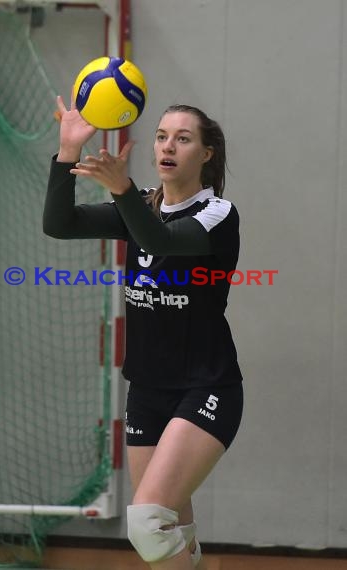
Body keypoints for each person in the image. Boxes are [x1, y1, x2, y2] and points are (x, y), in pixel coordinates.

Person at [43, 95, 243, 570]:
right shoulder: (141, 206)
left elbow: (162, 240)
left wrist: (122, 191)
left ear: (206, 153)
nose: (168, 145)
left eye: (183, 138)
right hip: (148, 390)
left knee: (147, 524)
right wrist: (67, 153)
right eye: (160, 136)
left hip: (206, 386)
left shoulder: (217, 214)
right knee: (168, 535)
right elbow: (59, 224)